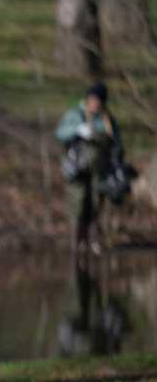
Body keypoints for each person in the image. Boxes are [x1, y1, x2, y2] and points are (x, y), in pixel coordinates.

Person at [55, 81, 125, 256]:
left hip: (100, 170)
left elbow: (117, 145)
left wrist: (118, 164)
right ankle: (76, 246)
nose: (95, 104)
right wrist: (77, 129)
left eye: (99, 101)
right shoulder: (75, 115)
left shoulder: (108, 120)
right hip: (77, 169)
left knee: (95, 205)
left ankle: (94, 244)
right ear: (88, 99)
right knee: (79, 204)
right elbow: (60, 133)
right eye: (93, 100)